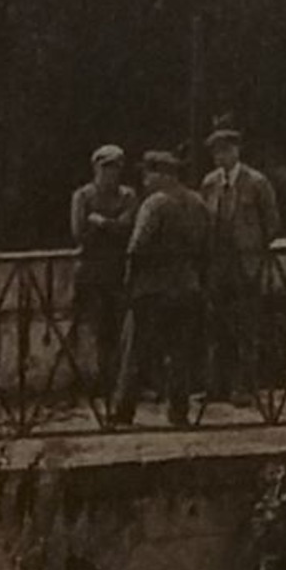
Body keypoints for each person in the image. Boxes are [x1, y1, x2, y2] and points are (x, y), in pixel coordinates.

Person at [110, 151, 211, 428]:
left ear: (164, 175)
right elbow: (206, 244)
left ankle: (123, 409)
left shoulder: (155, 203)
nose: (145, 180)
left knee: (134, 349)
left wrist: (129, 283)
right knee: (180, 352)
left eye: (149, 174)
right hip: (187, 287)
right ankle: (178, 412)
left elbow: (137, 246)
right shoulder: (198, 202)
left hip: (151, 290)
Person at [200, 125, 281, 407]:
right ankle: (216, 387)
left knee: (246, 328)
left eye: (225, 150)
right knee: (217, 327)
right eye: (215, 152)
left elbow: (271, 224)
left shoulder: (257, 182)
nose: (220, 157)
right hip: (217, 265)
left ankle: (244, 387)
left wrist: (253, 251)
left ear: (236, 151)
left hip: (246, 265)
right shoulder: (209, 183)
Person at [70, 145, 138, 398]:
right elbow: (79, 233)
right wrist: (113, 227)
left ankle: (121, 384)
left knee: (122, 328)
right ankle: (100, 382)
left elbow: (129, 228)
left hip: (120, 271)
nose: (111, 174)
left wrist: (102, 223)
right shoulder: (83, 196)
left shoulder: (128, 195)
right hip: (91, 272)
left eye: (116, 168)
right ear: (96, 168)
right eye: (106, 168)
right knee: (96, 328)